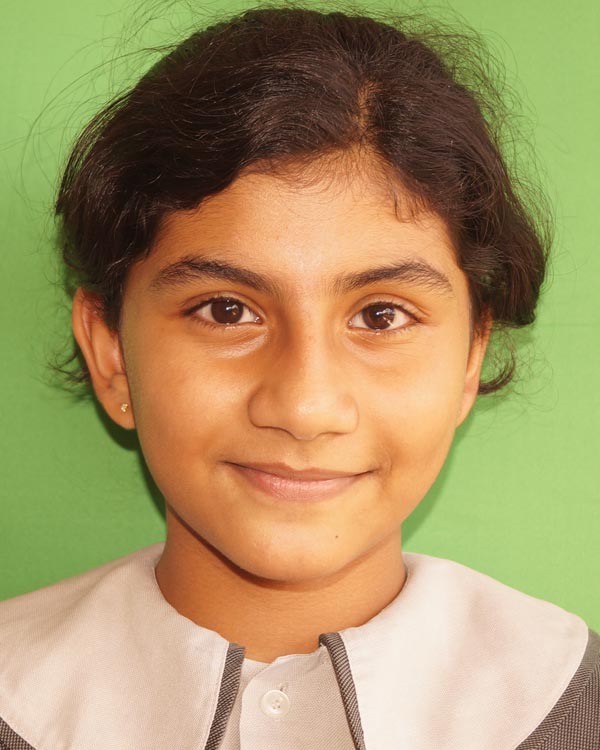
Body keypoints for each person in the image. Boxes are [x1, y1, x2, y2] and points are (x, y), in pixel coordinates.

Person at [0, 4, 597, 749]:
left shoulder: (570, 705)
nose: (306, 405)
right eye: (226, 310)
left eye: (380, 316)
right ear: (112, 354)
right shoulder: (18, 688)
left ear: (470, 357)